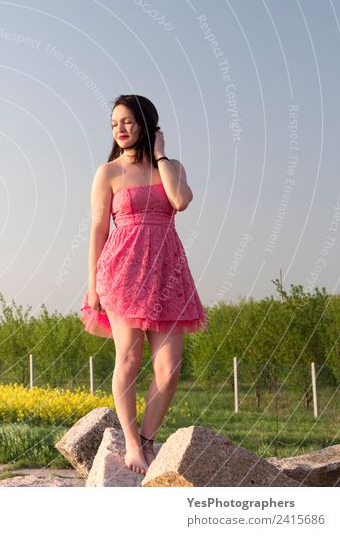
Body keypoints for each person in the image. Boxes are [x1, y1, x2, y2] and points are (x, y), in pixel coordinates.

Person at [80, 95, 208, 476]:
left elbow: (181, 201)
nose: (120, 129)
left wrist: (162, 156)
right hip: (122, 271)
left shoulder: (172, 168)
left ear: (147, 125)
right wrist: (93, 286)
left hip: (168, 272)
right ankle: (132, 443)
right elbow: (99, 229)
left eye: (127, 122)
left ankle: (148, 439)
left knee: (168, 369)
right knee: (129, 359)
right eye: (114, 123)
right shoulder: (108, 173)